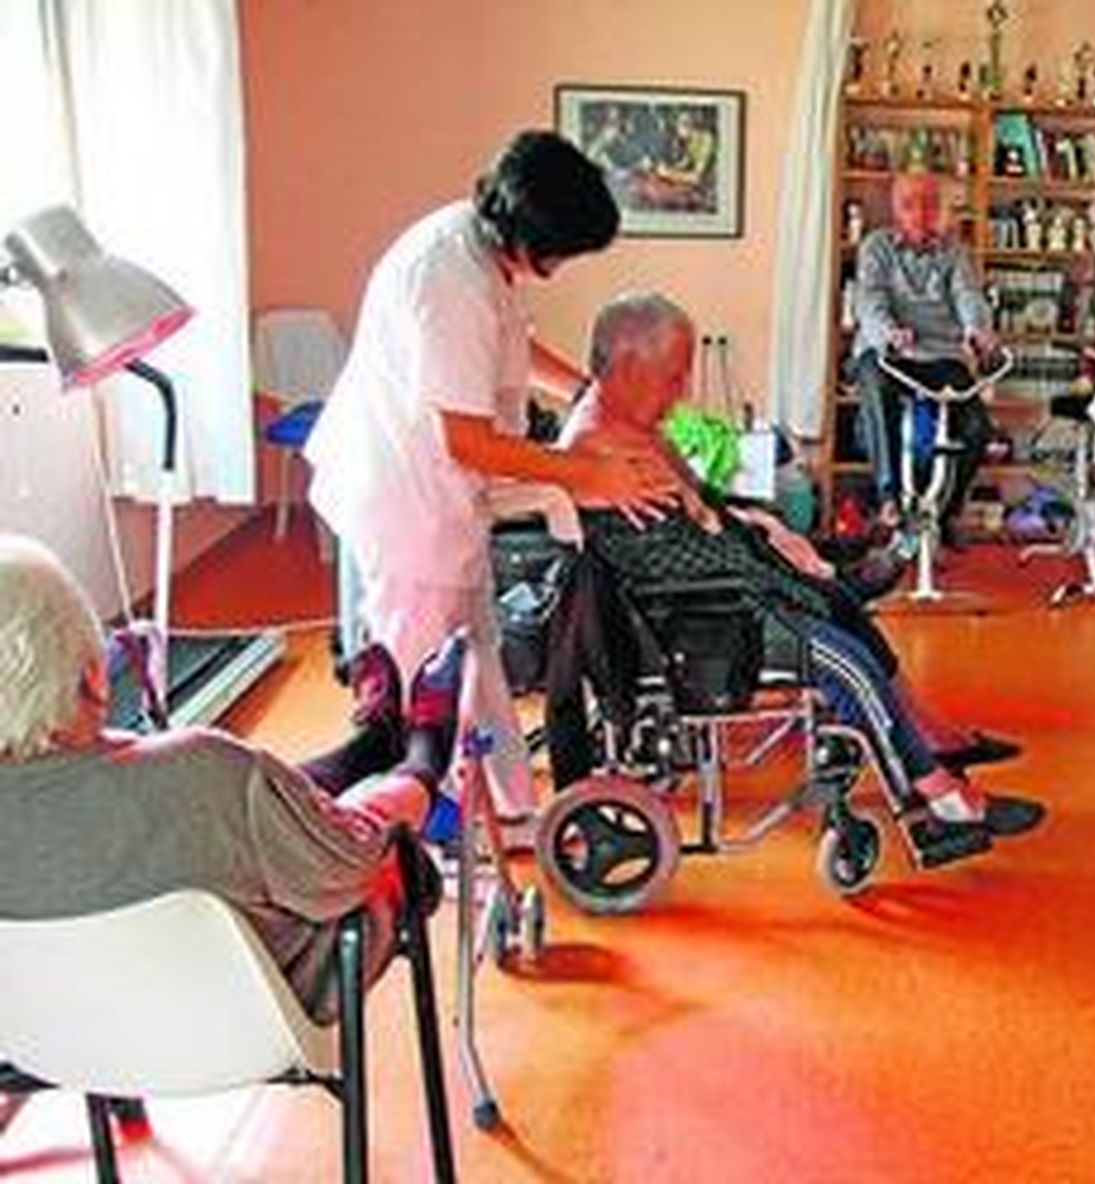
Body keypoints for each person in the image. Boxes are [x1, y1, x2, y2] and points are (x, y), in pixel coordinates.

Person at [554, 294, 1041, 856]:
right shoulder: (597, 449)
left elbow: (703, 506)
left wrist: (763, 527)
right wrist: (782, 562)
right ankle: (940, 796)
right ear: (626, 365)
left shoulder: (634, 426)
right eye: (673, 376)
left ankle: (930, 737)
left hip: (725, 597)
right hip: (705, 621)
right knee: (844, 658)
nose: (683, 391)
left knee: (842, 610)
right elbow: (681, 560)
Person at [305, 129, 678, 829]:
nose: (561, 267)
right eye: (563, 253)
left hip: (441, 491)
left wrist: (591, 392)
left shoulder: (479, 247)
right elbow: (467, 441)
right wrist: (585, 473)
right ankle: (407, 826)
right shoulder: (450, 280)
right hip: (406, 498)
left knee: (476, 655)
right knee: (421, 683)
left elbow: (511, 344)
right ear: (533, 234)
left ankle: (509, 810)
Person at [0, 534, 461, 1022]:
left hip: (61, 1039)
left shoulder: (200, 776)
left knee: (248, 805)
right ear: (90, 672)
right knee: (347, 839)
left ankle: (372, 742)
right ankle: (422, 761)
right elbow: (350, 863)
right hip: (266, 1016)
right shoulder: (200, 769)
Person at [852, 171, 1000, 540]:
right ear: (895, 210)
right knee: (875, 383)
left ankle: (948, 511)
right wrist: (889, 333)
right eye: (910, 205)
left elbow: (968, 296)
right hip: (888, 352)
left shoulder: (955, 253)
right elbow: (870, 299)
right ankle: (889, 497)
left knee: (977, 428)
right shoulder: (876, 247)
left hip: (941, 356)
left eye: (932, 205)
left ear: (945, 210)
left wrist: (976, 331)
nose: (921, 213)